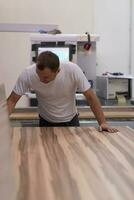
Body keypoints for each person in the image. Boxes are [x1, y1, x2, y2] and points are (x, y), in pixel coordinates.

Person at [7, 51, 118, 132]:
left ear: (58, 71)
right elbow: (12, 100)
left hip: (71, 122)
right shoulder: (28, 73)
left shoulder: (72, 70)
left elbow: (90, 96)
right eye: (38, 75)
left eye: (46, 77)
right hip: (45, 122)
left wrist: (102, 122)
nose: (41, 79)